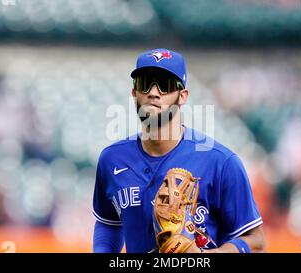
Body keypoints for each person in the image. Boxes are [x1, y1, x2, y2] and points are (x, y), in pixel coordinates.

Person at [92, 48, 266, 253]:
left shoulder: (221, 163)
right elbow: (108, 224)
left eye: (164, 85)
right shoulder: (112, 160)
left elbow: (256, 243)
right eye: (145, 84)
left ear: (182, 96)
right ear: (134, 92)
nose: (153, 92)